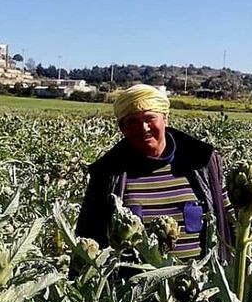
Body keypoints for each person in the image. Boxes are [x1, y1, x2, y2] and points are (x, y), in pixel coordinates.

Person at [76, 84, 233, 260]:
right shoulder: (107, 173)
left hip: (204, 283)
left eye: (150, 118)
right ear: (122, 129)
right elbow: (88, 234)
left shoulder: (202, 162)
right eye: (132, 122)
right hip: (134, 285)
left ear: (165, 119)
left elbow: (229, 217)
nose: (143, 127)